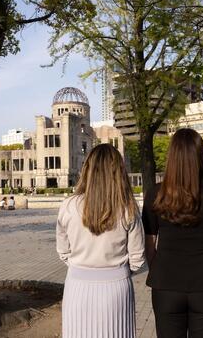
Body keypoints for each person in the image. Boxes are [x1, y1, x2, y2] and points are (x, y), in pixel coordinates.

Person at [142, 128, 203, 338]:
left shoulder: (155, 195)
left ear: (171, 158)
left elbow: (149, 245)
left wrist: (158, 271)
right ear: (201, 156)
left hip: (165, 284)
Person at [56, 144, 145, 338]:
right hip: (116, 287)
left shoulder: (69, 206)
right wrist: (117, 270)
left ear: (87, 169)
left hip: (77, 286)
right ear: (119, 171)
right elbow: (137, 258)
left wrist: (81, 265)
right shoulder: (128, 208)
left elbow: (63, 251)